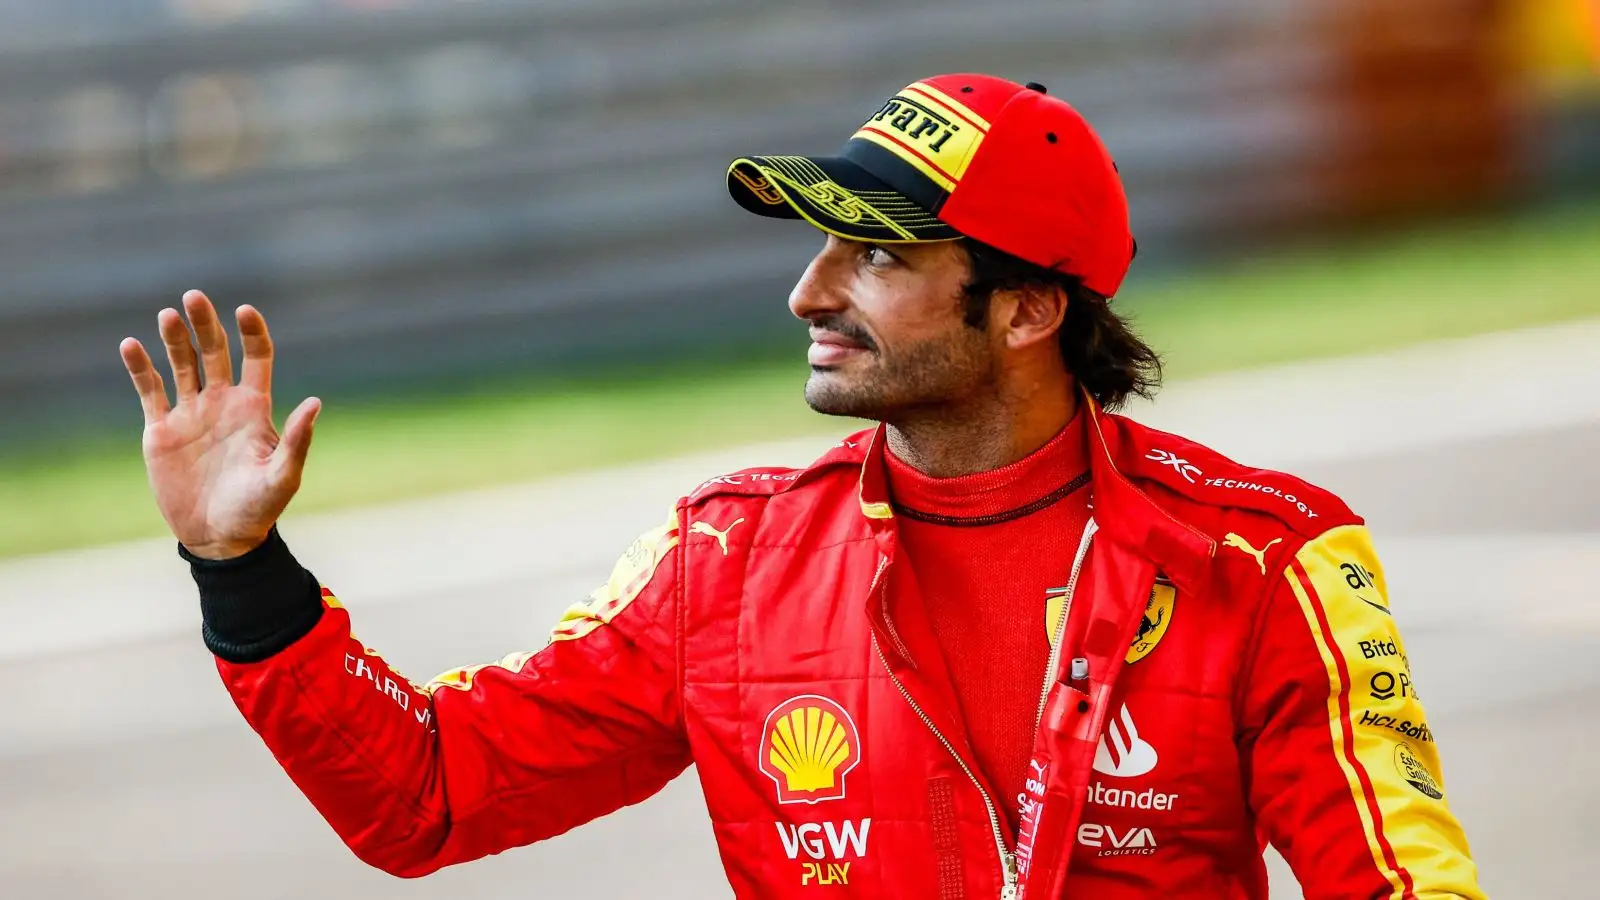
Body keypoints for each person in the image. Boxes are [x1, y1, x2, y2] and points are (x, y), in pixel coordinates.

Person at [119, 73, 1485, 899]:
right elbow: (427, 795)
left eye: (873, 258)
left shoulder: (1262, 562)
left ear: (1022, 310)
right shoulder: (729, 564)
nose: (807, 293)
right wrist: (245, 576)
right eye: (819, 247)